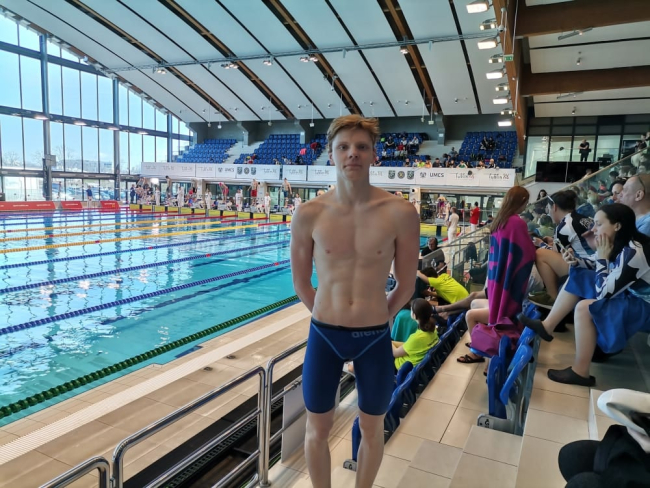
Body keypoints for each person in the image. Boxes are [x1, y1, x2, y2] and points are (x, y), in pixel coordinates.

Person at [291, 114, 420, 488]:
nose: (353, 154)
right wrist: (325, 314)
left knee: (372, 427)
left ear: (374, 154)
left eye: (362, 147)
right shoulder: (308, 213)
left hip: (374, 337)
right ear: (331, 154)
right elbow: (301, 283)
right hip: (324, 335)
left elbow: (406, 285)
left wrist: (379, 317)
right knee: (316, 428)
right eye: (344, 147)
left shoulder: (400, 213)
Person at [519, 204, 650, 386]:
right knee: (578, 274)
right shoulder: (621, 242)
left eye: (598, 224)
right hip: (630, 294)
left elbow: (602, 293)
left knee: (584, 308)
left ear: (617, 226)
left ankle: (580, 372)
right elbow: (594, 264)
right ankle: (547, 326)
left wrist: (603, 258)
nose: (593, 229)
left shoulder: (634, 252)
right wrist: (575, 261)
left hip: (644, 306)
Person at [460, 186, 536, 362]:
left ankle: (483, 351)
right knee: (504, 316)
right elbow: (527, 253)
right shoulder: (517, 222)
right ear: (521, 201)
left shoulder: (499, 222)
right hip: (509, 280)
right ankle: (490, 352)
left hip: (496, 279)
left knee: (492, 313)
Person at [530, 190, 595, 308]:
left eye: (548, 208)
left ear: (554, 207)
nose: (549, 213)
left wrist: (541, 244)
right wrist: (553, 241)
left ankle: (553, 297)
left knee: (540, 254)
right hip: (597, 264)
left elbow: (555, 253)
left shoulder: (565, 225)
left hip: (587, 268)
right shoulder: (583, 218)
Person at [392, 299, 440, 370]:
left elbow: (395, 353)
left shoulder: (416, 338)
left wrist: (388, 342)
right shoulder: (433, 329)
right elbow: (409, 345)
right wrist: (393, 343)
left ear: (414, 315)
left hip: (403, 368)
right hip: (421, 365)